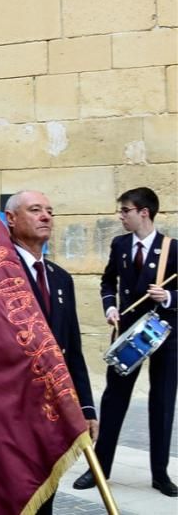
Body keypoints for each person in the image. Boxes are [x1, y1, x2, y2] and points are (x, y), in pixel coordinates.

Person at [74, 187, 177, 497]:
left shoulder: (172, 248)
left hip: (165, 334)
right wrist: (110, 306)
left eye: (126, 211)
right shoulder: (119, 244)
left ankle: (160, 474)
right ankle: (100, 469)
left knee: (162, 402)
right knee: (114, 399)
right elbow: (108, 280)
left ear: (143, 212)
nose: (121, 216)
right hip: (127, 334)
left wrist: (169, 296)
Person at [2, 190, 97, 513]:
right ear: (10, 219)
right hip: (10, 410)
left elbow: (73, 350)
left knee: (46, 494)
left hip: (51, 410)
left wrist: (85, 406)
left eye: (50, 211)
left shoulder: (60, 278)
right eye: (36, 210)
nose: (46, 217)